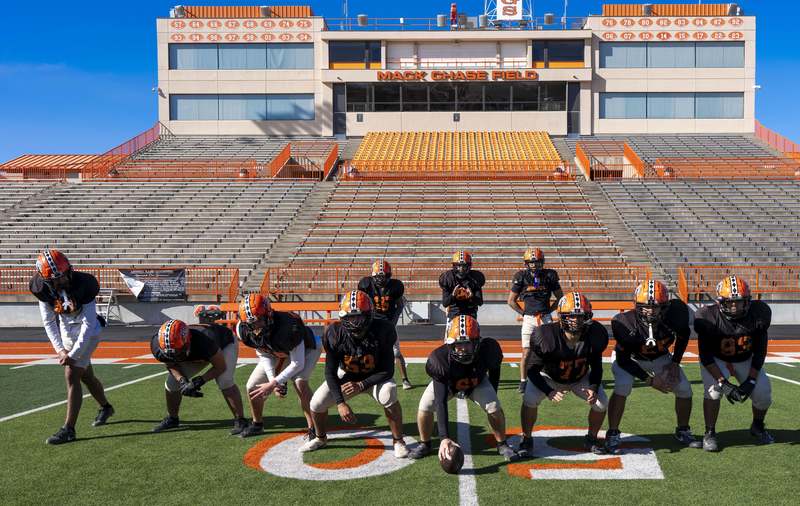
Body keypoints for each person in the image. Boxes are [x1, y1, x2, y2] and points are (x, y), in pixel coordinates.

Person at [301, 290, 408, 458]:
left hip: (375, 377)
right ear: (342, 318)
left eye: (358, 317)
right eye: (350, 318)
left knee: (389, 393)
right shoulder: (334, 333)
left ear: (369, 315)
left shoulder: (383, 329)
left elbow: (388, 370)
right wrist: (340, 403)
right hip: (348, 375)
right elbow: (330, 372)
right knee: (316, 403)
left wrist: (362, 385)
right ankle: (320, 438)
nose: (354, 323)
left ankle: (398, 440)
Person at [606, 280, 700, 453]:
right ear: (636, 305)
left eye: (655, 307)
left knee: (685, 389)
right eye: (645, 306)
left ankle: (683, 430)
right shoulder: (625, 322)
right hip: (631, 358)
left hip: (660, 356)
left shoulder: (675, 314)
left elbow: (684, 334)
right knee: (622, 386)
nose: (650, 311)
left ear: (665, 306)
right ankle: (612, 433)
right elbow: (623, 360)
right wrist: (650, 381)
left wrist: (675, 362)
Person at [30, 249, 113, 445]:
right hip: (67, 328)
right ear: (46, 280)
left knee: (72, 373)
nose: (63, 280)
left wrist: (73, 355)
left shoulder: (84, 283)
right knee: (86, 376)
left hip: (90, 331)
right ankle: (106, 407)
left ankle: (69, 429)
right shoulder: (41, 288)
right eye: (56, 279)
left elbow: (88, 323)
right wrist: (60, 350)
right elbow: (49, 322)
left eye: (64, 274)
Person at [407, 315, 518, 462]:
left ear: (476, 343)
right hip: (449, 384)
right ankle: (425, 444)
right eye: (458, 345)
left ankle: (502, 444)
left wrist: (493, 391)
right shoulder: (439, 360)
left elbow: (494, 369)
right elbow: (440, 402)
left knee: (494, 407)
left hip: (476, 382)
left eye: (467, 344)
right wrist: (444, 437)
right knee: (425, 407)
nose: (463, 349)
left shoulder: (489, 349)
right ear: (449, 344)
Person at [519, 292, 609, 457]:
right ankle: (526, 439)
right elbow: (532, 369)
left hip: (579, 378)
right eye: (571, 316)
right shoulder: (545, 335)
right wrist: (548, 391)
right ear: (561, 317)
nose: (576, 320)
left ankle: (591, 438)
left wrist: (593, 386)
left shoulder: (595, 334)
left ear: (587, 317)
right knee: (529, 399)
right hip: (549, 377)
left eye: (580, 316)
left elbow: (597, 366)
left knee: (601, 403)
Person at [695, 276, 774, 452]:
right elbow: (705, 356)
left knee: (763, 393)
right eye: (730, 302)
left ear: (748, 301)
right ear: (719, 302)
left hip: (745, 358)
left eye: (739, 302)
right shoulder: (708, 317)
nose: (734, 306)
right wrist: (724, 383)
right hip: (716, 359)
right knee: (714, 392)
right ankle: (709, 432)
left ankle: (757, 426)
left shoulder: (757, 315)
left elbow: (760, 351)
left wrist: (752, 380)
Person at [235, 294, 321, 439]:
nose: (256, 327)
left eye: (259, 321)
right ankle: (257, 424)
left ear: (269, 314)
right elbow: (264, 353)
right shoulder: (243, 330)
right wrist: (273, 380)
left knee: (299, 383)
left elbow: (297, 363)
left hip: (307, 348)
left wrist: (274, 383)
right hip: (276, 352)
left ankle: (314, 427)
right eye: (252, 324)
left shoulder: (289, 326)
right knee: (252, 386)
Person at [150, 319, 248, 435]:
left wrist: (199, 381)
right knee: (172, 384)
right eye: (171, 353)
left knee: (224, 381)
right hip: (197, 352)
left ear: (188, 341)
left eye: (178, 352)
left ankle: (241, 420)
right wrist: (182, 381)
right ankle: (172, 418)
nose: (176, 356)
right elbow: (171, 364)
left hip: (224, 343)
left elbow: (220, 367)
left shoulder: (205, 341)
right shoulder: (157, 345)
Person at [507, 248, 563, 394]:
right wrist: (524, 313)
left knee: (551, 349)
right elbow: (511, 301)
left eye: (537, 262)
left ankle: (554, 377)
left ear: (542, 262)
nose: (535, 265)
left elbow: (560, 298)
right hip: (529, 319)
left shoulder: (550, 275)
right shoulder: (521, 276)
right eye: (532, 263)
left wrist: (550, 310)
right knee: (526, 352)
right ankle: (523, 381)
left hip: (545, 317)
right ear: (526, 264)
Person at [358, 259, 412, 390]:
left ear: (389, 275)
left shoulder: (395, 286)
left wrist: (392, 322)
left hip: (387, 322)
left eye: (384, 276)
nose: (381, 279)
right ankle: (366, 378)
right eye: (378, 276)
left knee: (396, 352)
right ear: (373, 276)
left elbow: (399, 306)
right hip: (371, 322)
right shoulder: (366, 284)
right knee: (366, 349)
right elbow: (362, 303)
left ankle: (405, 379)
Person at [439, 251, 485, 321]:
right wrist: (453, 295)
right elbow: (445, 303)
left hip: (470, 315)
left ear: (469, 266)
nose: (461, 269)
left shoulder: (475, 278)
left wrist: (472, 297)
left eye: (464, 266)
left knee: (470, 330)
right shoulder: (448, 278)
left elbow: (480, 302)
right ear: (454, 266)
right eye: (459, 266)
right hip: (453, 315)